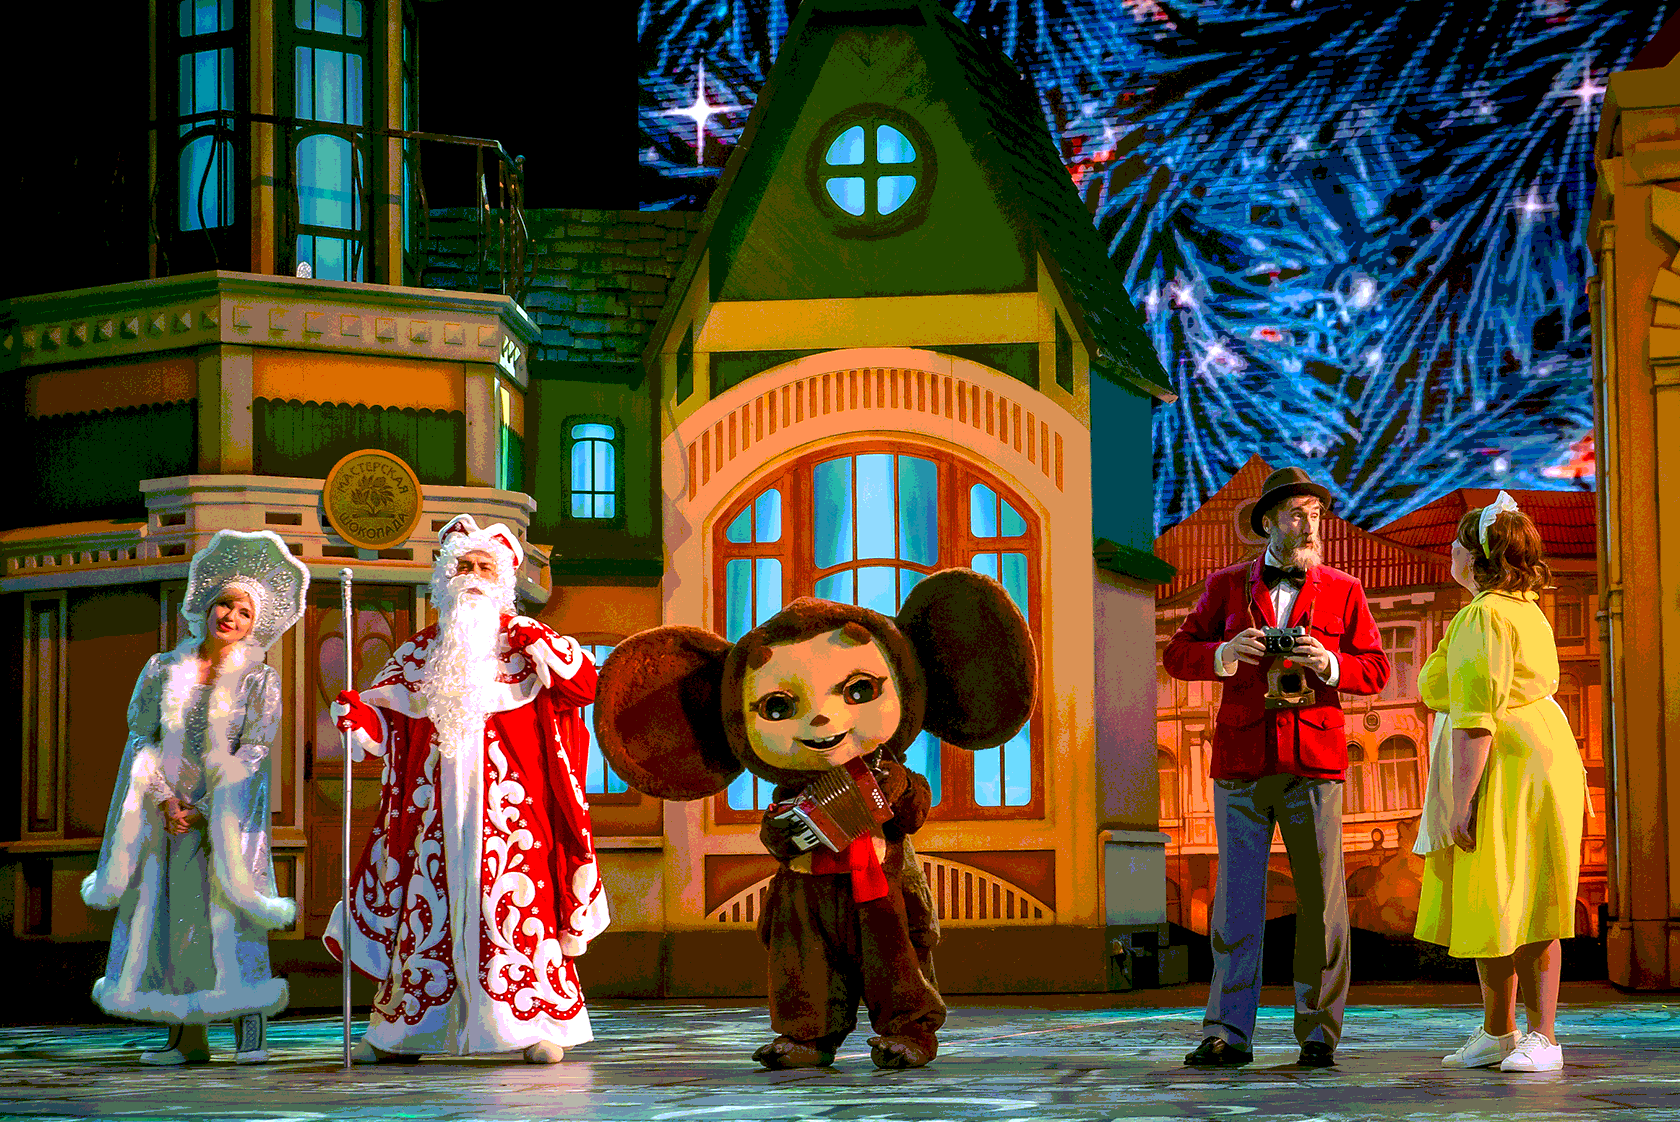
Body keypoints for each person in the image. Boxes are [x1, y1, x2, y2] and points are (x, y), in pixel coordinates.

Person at [326, 514, 605, 1064]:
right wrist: (359, 718)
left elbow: (582, 685)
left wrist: (534, 641)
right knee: (427, 906)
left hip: (514, 812)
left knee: (516, 906)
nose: (473, 576)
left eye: (484, 567)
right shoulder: (420, 650)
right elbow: (391, 724)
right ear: (444, 577)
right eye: (463, 566)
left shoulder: (529, 641)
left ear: (503, 581)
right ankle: (408, 1031)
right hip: (433, 810)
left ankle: (533, 1026)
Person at [1163, 466, 1390, 1068]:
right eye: (1297, 514)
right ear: (1267, 523)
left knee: (1322, 902)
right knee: (1236, 903)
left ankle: (1319, 1032)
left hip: (1314, 762)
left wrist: (1330, 662)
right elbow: (1177, 654)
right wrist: (1224, 652)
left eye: (1316, 514)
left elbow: (1376, 669)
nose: (1310, 525)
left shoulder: (1344, 588)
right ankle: (1228, 1032)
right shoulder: (1225, 585)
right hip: (1242, 761)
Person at [81, 529, 308, 1064]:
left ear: (255, 624)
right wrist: (165, 800)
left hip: (226, 814)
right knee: (175, 920)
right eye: (225, 604)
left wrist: (207, 808)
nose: (231, 617)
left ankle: (250, 1035)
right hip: (168, 814)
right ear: (206, 607)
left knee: (234, 911)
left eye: (244, 612)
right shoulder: (162, 668)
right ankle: (187, 1038)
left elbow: (255, 748)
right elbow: (142, 736)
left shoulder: (259, 678)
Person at [1414, 492, 1586, 1074]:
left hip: (1510, 763)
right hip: (1536, 753)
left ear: (1480, 556)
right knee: (1498, 896)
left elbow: (1475, 717)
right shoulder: (1518, 607)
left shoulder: (1487, 614)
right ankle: (1498, 1031)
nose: (1450, 549)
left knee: (1525, 894)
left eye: (1460, 542)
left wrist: (1460, 803)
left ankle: (1543, 1036)